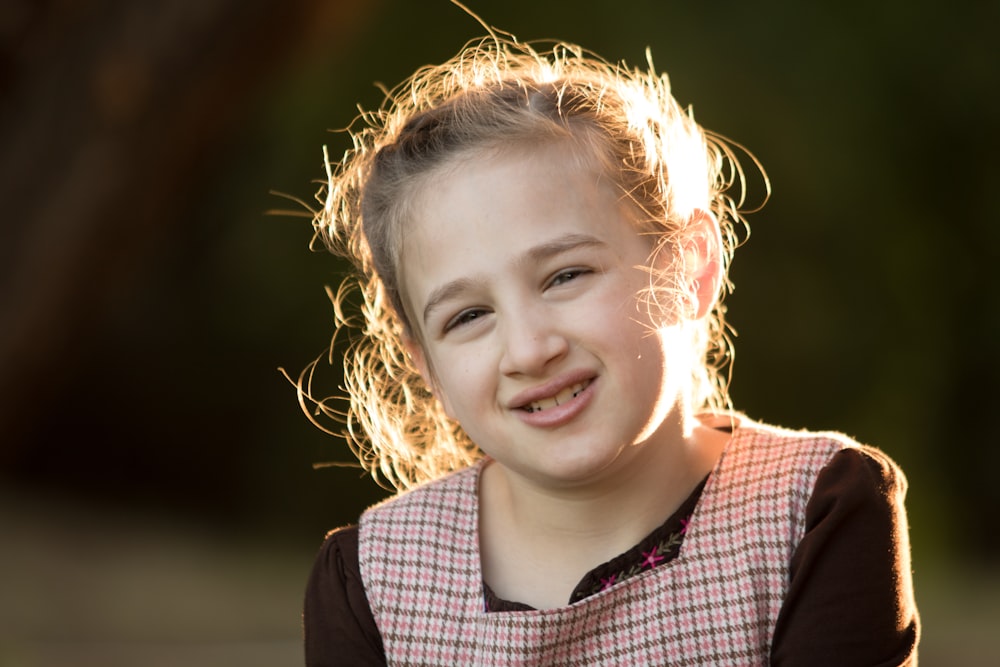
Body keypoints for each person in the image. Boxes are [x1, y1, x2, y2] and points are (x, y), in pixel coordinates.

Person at [296, 24, 919, 666]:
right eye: (469, 315)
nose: (529, 350)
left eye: (566, 275)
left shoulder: (814, 513)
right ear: (425, 364)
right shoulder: (371, 583)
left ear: (688, 268)